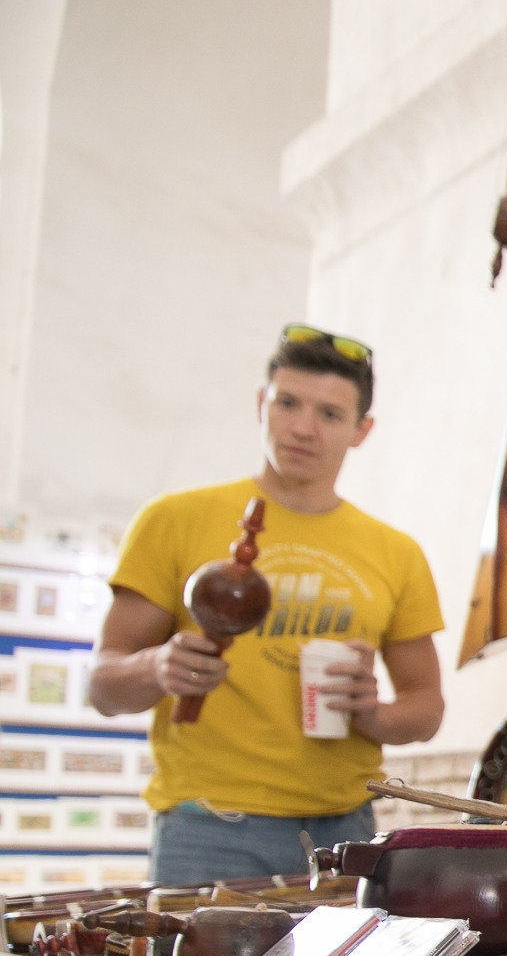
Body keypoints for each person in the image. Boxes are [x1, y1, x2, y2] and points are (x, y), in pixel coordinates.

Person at [90, 326, 445, 886]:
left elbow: (426, 708)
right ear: (261, 404)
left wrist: (373, 715)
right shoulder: (173, 520)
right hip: (207, 825)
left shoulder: (396, 553)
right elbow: (102, 686)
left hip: (345, 831)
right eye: (287, 403)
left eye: (330, 414)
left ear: (362, 430)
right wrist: (156, 667)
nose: (303, 428)